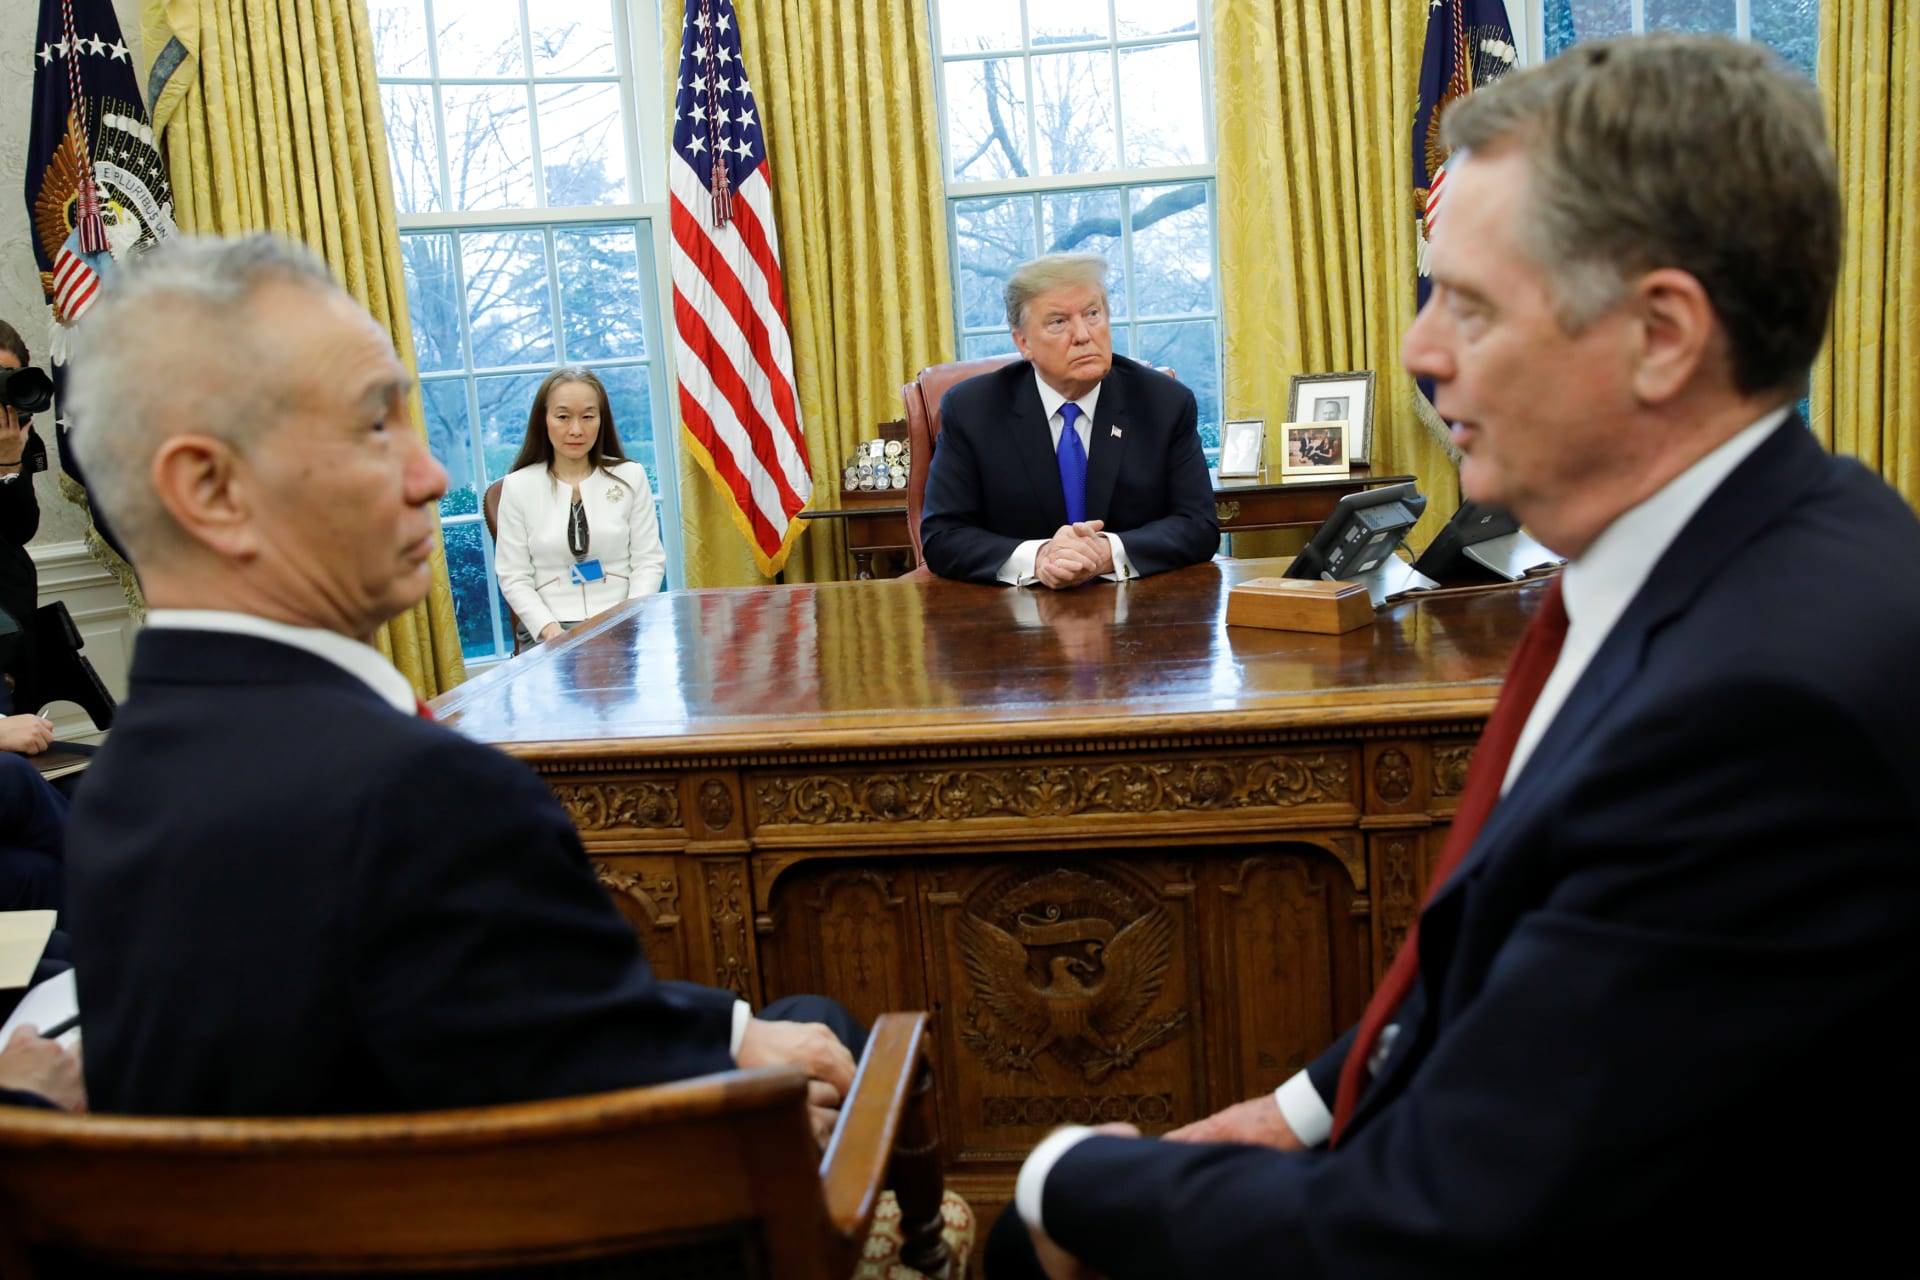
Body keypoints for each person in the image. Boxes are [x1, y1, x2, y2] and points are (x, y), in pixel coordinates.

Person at [988, 35, 1920, 1277]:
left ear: (1661, 333)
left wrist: (1063, 1178)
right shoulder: (1755, 544)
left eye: (1466, 304)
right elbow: (1520, 966)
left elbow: (1444, 1225)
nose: (1422, 354)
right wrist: (1305, 1107)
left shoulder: (1760, 706)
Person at [60, 234, 860, 1135]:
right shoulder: (426, 795)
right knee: (831, 1031)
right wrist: (756, 1065)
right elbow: (625, 1124)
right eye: (374, 424)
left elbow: (442, 1014)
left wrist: (728, 1027)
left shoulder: (118, 783)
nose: (431, 474)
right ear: (211, 490)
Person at [919, 254, 1217, 588]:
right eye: (1058, 322)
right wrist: (1041, 557)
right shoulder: (973, 410)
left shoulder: (1164, 403)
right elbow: (943, 536)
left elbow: (1198, 525)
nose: (1083, 335)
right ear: (1023, 343)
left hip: (1140, 608)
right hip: (1013, 617)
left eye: (1092, 314)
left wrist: (1106, 553)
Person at [494, 368, 664, 646]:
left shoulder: (631, 476)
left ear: (601, 420)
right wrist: (552, 633)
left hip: (623, 622)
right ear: (544, 420)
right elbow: (513, 575)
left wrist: (629, 619)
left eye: (588, 416)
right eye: (563, 417)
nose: (576, 430)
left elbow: (649, 560)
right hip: (549, 631)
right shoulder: (518, 486)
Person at [0, 320, 56, 755]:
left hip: (14, 622)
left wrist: (11, 462)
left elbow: (21, 528)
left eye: (8, 377)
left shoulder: (15, 432)